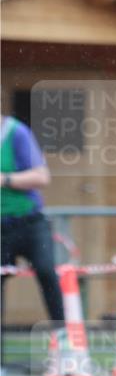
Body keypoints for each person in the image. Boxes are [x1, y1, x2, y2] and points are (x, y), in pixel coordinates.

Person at [1, 114, 65, 334]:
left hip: (28, 222)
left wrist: (5, 179)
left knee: (46, 272)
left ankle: (64, 337)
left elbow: (42, 177)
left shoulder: (17, 133)